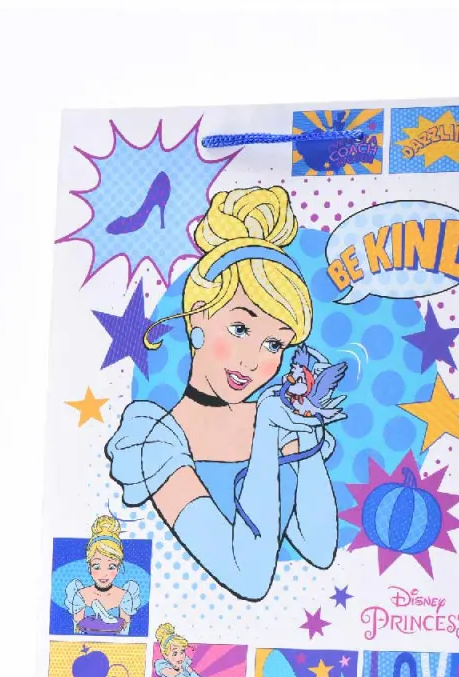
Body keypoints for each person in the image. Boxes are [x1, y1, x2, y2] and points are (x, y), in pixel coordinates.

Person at [106, 186, 344, 601]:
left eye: (274, 344)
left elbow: (320, 549)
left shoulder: (275, 416)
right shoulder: (154, 442)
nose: (252, 362)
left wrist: (302, 432)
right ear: (198, 318)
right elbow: (247, 577)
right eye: (239, 328)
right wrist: (266, 437)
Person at [64, 515, 141, 633]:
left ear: (118, 568)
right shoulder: (80, 595)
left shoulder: (125, 596)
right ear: (89, 567)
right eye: (97, 566)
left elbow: (125, 634)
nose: (104, 574)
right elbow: (77, 633)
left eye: (111, 567)